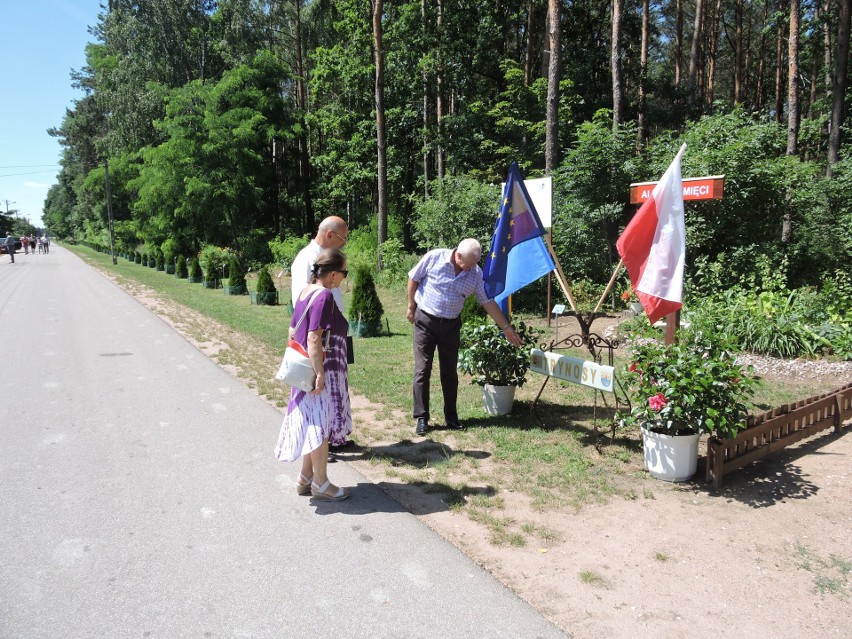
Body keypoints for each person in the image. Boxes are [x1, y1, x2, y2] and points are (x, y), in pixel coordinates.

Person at [407, 238, 522, 435]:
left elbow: (487, 301)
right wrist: (411, 305)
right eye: (467, 264)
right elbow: (413, 277)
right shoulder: (434, 257)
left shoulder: (475, 274)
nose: (470, 268)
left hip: (451, 326)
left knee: (450, 373)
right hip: (426, 320)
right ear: (457, 255)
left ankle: (451, 417)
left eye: (474, 264)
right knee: (422, 370)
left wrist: (506, 327)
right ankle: (421, 418)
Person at [275, 248, 352, 501]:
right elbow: (313, 337)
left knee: (312, 421)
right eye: (344, 273)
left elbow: (291, 329)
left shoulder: (305, 292)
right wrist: (319, 374)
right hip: (320, 369)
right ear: (331, 274)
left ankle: (305, 477)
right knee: (321, 424)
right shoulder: (324, 296)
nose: (344, 278)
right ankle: (321, 483)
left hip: (305, 370)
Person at [290, 216, 348, 312]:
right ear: (330, 235)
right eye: (343, 238)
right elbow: (302, 303)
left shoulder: (327, 257)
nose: (344, 243)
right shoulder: (307, 258)